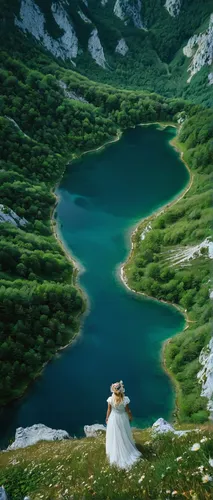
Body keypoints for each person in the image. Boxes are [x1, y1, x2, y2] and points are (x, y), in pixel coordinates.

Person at [105, 380, 142, 469]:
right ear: (121, 390)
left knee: (115, 435)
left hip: (113, 418)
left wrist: (107, 418)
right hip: (122, 418)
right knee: (124, 433)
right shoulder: (124, 399)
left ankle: (114, 452)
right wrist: (130, 416)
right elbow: (128, 410)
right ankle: (126, 450)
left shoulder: (110, 399)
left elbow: (109, 410)